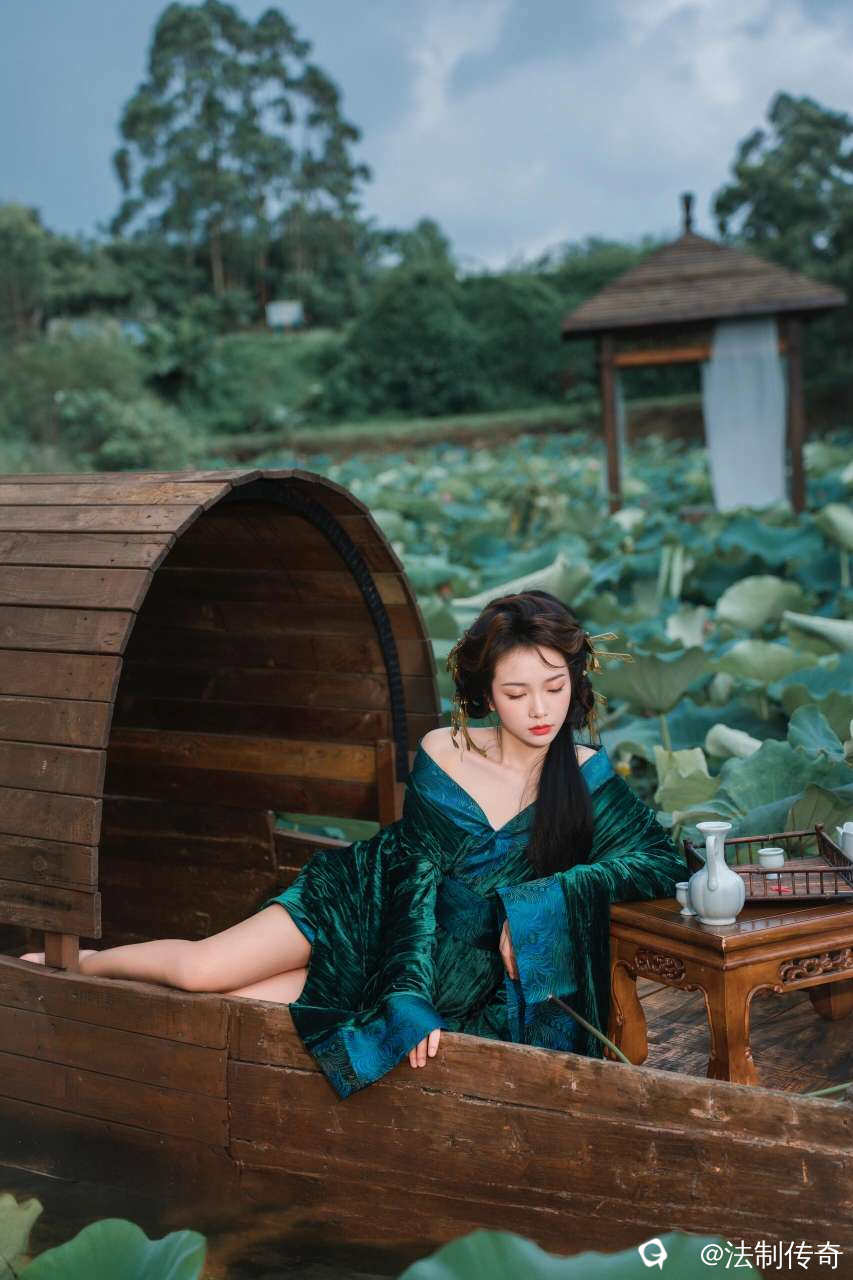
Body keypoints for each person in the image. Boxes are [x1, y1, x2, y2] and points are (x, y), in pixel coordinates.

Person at [23, 590, 687, 1098]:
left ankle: (110, 1034)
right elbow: (413, 881)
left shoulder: (587, 775)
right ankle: (85, 965)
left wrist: (547, 899)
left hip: (459, 964)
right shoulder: (445, 751)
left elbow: (659, 860)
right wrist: (404, 991)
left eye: (554, 687)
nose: (540, 710)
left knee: (237, 1009)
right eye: (517, 693)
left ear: (575, 682)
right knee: (202, 971)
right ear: (485, 695)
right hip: (370, 904)